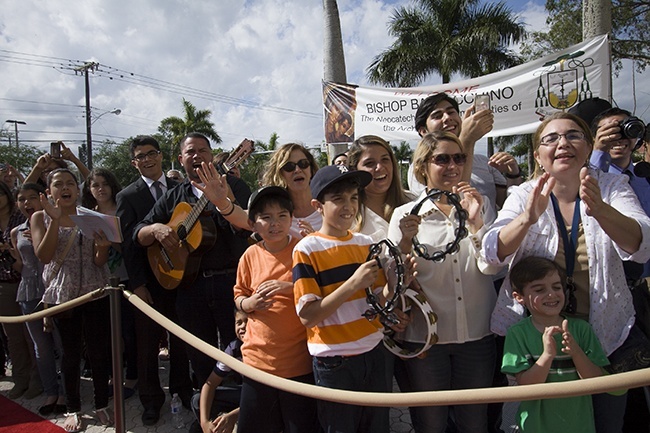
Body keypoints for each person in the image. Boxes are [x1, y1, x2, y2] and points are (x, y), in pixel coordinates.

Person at [484, 112, 650, 433]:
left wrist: (601, 210)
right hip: (543, 342)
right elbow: (491, 253)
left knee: (606, 422)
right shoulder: (524, 194)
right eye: (551, 138)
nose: (563, 143)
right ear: (538, 155)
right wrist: (526, 219)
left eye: (573, 136)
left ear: (588, 147)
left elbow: (642, 243)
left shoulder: (613, 186)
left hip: (605, 337)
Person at [388, 131, 497, 433]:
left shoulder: (481, 204)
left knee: (474, 424)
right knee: (430, 424)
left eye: (459, 158)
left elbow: (491, 267)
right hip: (426, 340)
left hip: (477, 335)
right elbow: (394, 280)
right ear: (423, 167)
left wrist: (476, 223)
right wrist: (406, 242)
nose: (453, 166)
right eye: (442, 159)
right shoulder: (404, 215)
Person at [293, 164, 414, 433]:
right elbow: (308, 315)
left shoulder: (365, 243)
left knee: (378, 427)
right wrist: (352, 285)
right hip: (335, 362)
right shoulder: (307, 248)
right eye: (338, 199)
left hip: (375, 352)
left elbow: (380, 301)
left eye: (353, 198)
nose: (348, 206)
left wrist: (396, 282)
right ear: (318, 205)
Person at [135, 132, 252, 388]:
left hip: (231, 283)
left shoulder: (235, 186)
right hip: (190, 287)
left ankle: (243, 410)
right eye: (190, 152)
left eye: (203, 150)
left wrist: (227, 200)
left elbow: (250, 229)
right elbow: (138, 232)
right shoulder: (174, 196)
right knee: (199, 354)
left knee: (242, 350)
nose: (197, 156)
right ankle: (207, 408)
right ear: (181, 159)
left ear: (212, 155)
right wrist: (156, 229)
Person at [115, 135, 193, 425]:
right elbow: (128, 244)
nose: (147, 159)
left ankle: (183, 390)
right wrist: (137, 285)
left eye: (151, 153)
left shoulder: (179, 188)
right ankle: (150, 399)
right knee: (146, 344)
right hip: (147, 284)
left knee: (182, 341)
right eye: (140, 156)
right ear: (134, 162)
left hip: (182, 278)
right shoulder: (127, 196)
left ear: (161, 156)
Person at [31, 168, 113, 432]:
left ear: (78, 190)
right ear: (49, 190)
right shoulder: (39, 217)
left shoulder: (91, 218)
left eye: (70, 184)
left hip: (95, 291)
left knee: (99, 351)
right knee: (69, 354)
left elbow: (99, 261)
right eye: (58, 184)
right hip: (63, 295)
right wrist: (55, 220)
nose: (64, 188)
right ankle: (73, 408)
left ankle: (101, 403)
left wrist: (102, 247)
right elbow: (44, 256)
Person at [233, 186, 317, 433]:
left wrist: (288, 287)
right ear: (253, 223)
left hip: (298, 363)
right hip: (257, 363)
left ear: (292, 218)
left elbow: (321, 291)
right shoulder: (249, 255)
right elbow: (239, 295)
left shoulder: (304, 249)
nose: (275, 224)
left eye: (282, 216)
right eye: (266, 217)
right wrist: (248, 305)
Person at [502, 256, 609, 433]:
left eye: (556, 287)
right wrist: (547, 355)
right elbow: (526, 387)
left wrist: (575, 352)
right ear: (519, 297)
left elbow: (596, 383)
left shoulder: (581, 329)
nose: (551, 294)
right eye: (539, 289)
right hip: (535, 427)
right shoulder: (517, 334)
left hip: (579, 426)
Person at [408, 93, 523, 225]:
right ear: (423, 131)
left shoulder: (484, 162)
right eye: (437, 116)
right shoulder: (421, 167)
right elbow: (451, 201)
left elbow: (509, 204)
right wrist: (467, 141)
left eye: (451, 112)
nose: (447, 118)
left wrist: (513, 173)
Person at [10, 183, 66, 415]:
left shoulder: (55, 223)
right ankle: (50, 391)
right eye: (22, 199)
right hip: (28, 292)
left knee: (62, 345)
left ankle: (65, 392)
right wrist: (14, 258)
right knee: (40, 348)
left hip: (53, 289)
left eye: (32, 198)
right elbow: (21, 265)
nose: (27, 203)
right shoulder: (15, 232)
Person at [0, 180, 41, 400]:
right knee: (13, 337)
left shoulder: (22, 219)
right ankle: (20, 379)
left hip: (27, 282)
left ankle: (37, 380)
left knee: (32, 337)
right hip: (4, 285)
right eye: (22, 199)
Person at [348, 135, 415, 242]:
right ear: (354, 170)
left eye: (385, 160)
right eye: (369, 163)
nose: (380, 167)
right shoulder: (347, 213)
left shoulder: (414, 202)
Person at [192, 309, 246, 433]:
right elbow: (209, 385)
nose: (243, 327)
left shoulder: (266, 350)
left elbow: (266, 398)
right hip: (245, 395)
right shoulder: (234, 349)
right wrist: (204, 422)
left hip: (266, 401)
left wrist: (233, 416)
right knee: (198, 400)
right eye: (239, 322)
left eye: (247, 322)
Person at [262, 143, 321, 238]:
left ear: (311, 169)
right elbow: (240, 215)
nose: (297, 170)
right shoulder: (272, 212)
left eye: (303, 164)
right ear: (279, 174)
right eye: (289, 167)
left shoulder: (329, 205)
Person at [25, 143, 90, 188]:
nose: (54, 173)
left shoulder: (74, 193)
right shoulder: (39, 197)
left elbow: (92, 182)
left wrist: (75, 160)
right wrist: (37, 168)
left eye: (57, 169)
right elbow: (24, 191)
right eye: (49, 171)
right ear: (42, 177)